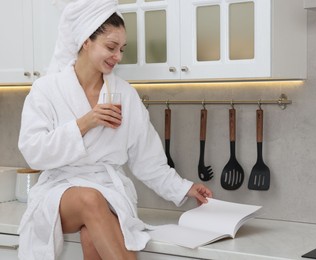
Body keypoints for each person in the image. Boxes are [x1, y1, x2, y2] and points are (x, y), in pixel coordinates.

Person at [17, 0, 212, 259]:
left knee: (91, 235)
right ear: (86, 41)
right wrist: (86, 122)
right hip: (59, 191)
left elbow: (148, 159)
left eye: (121, 49)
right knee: (91, 199)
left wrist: (185, 188)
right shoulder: (46, 90)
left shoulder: (124, 94)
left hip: (108, 190)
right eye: (111, 47)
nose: (118, 57)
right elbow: (34, 152)